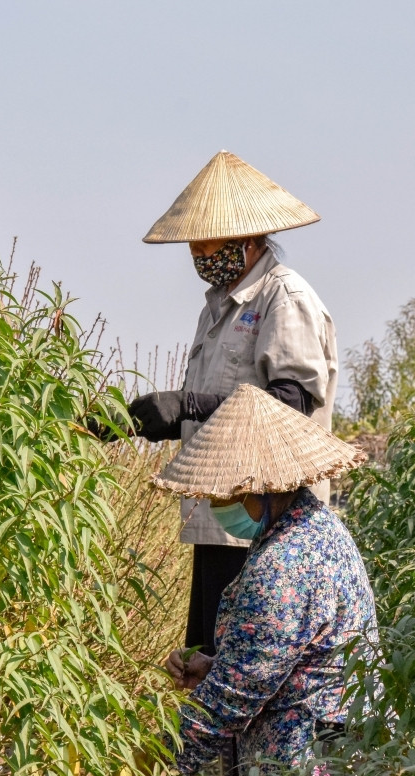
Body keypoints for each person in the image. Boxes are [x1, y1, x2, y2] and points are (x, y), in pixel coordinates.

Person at [130, 150, 339, 658]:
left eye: (209, 243)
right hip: (222, 518)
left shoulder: (284, 299)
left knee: (241, 676)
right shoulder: (220, 307)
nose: (199, 254)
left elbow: (289, 405)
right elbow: (206, 409)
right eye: (194, 245)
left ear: (247, 239)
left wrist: (188, 404)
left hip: (264, 520)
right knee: (204, 670)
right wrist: (133, 420)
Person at [150, 384, 380, 776]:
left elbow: (231, 699)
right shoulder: (315, 525)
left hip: (307, 764)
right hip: (339, 750)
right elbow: (284, 657)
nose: (215, 503)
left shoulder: (283, 566)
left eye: (225, 493)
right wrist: (215, 666)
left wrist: (150, 764)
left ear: (262, 486)